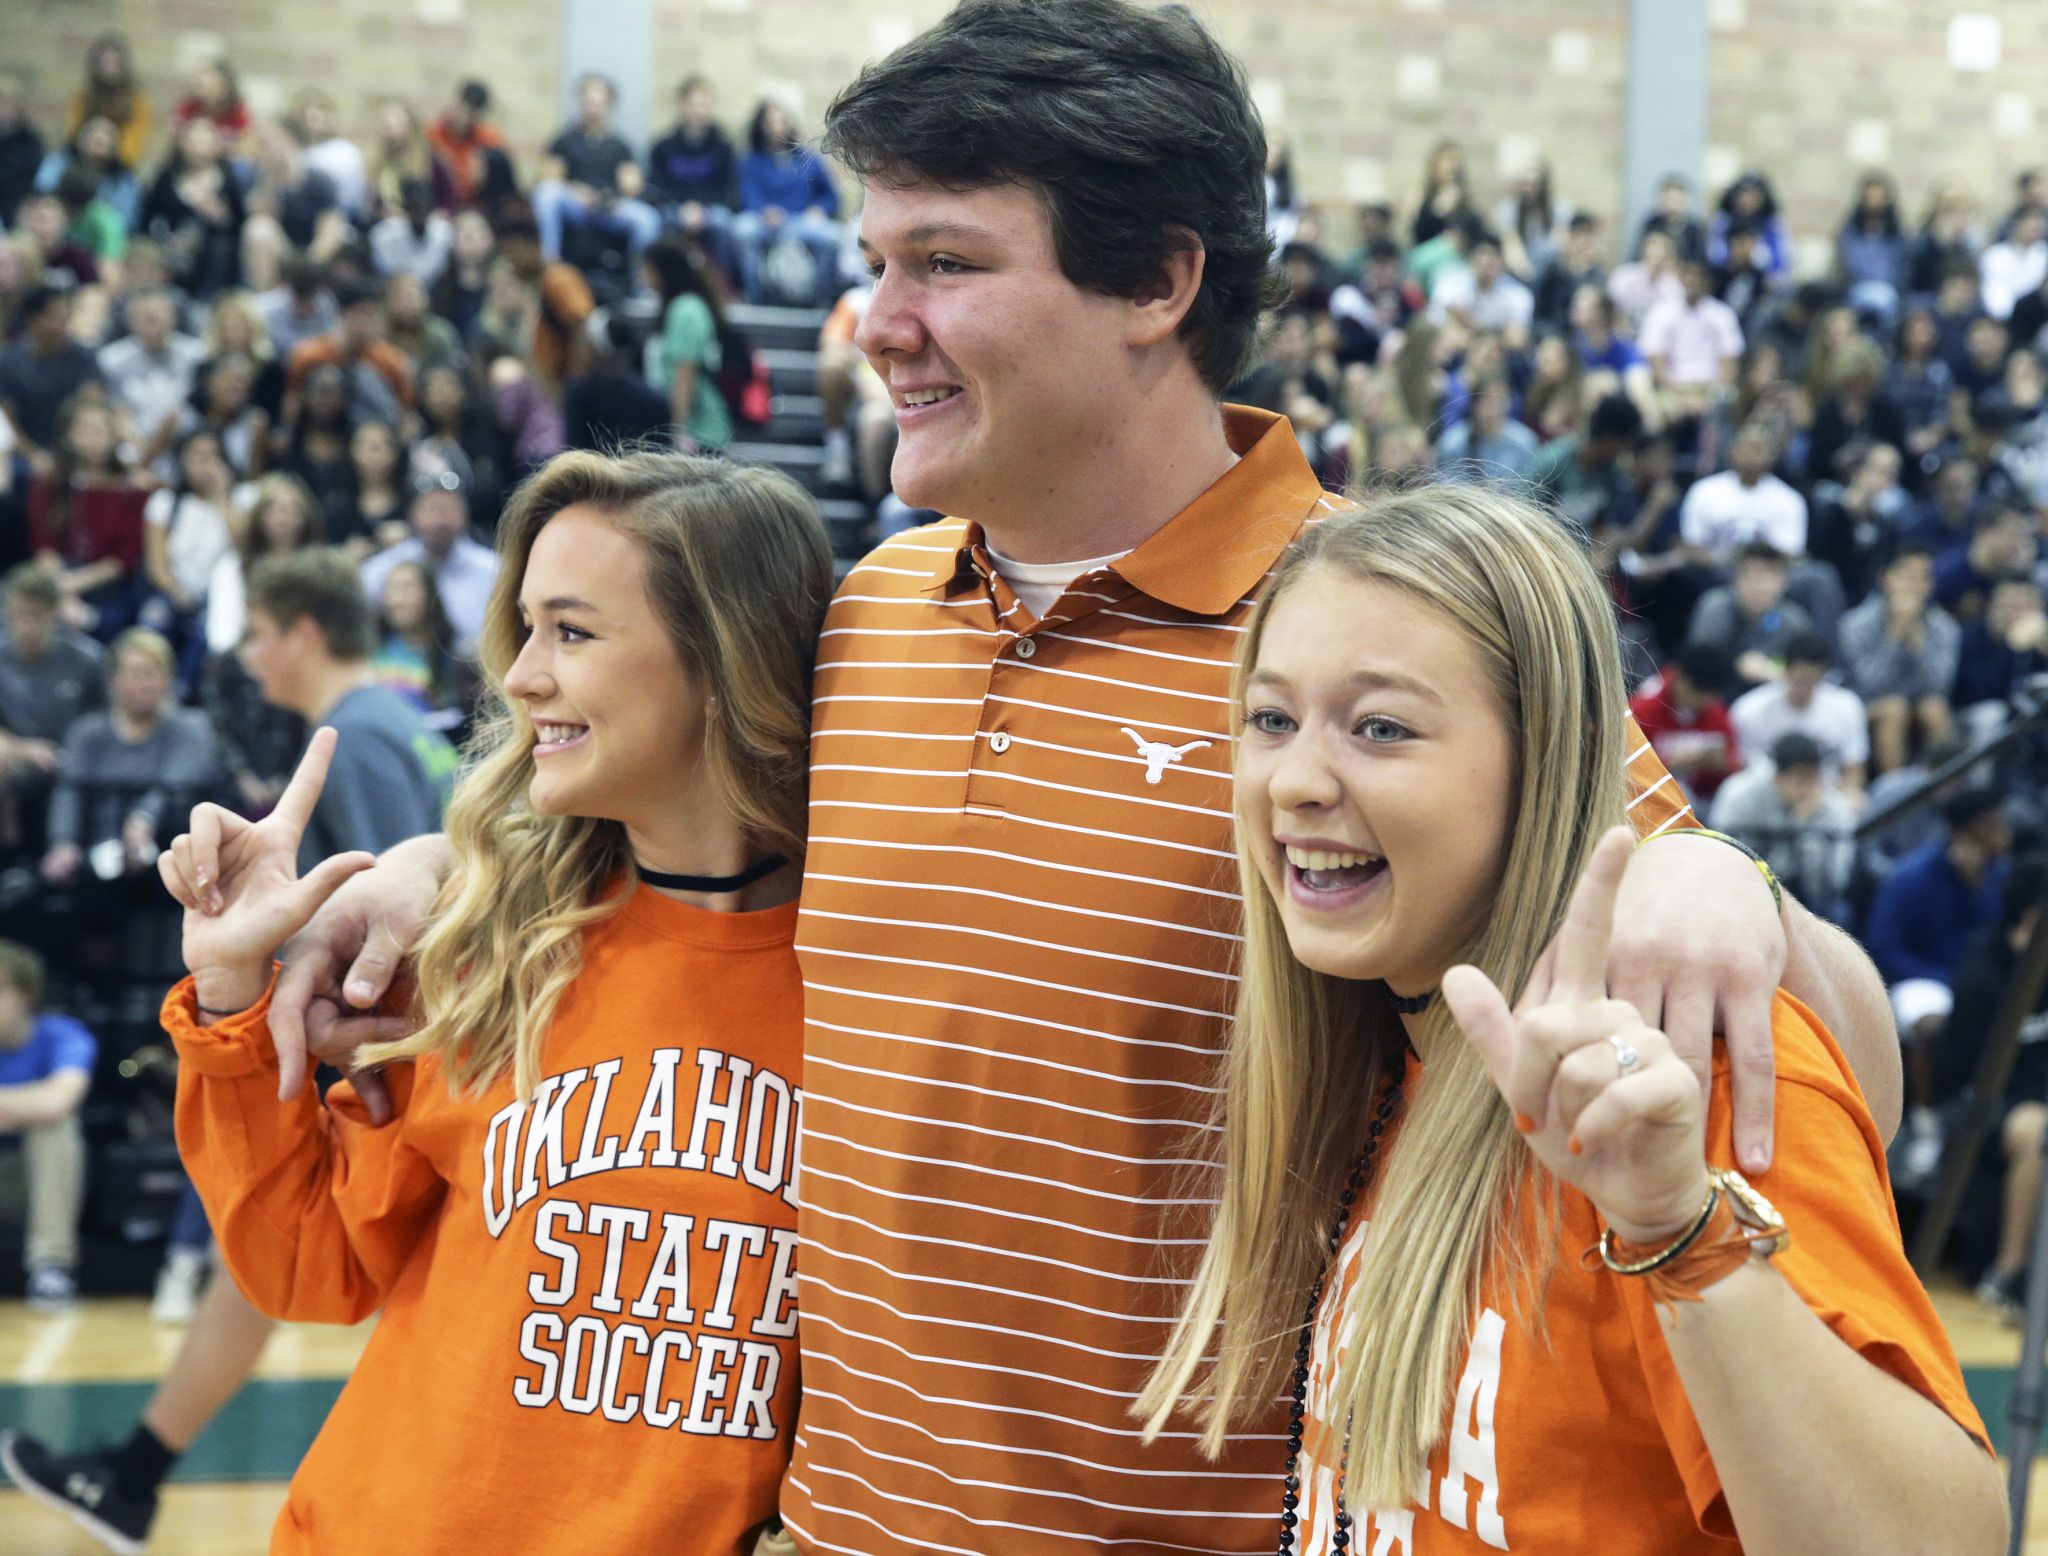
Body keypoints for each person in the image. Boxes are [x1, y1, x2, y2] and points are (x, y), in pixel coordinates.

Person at [275, 4, 1900, 1546]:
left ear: (1157, 282)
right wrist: (430, 871)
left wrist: (1721, 873)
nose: (875, 323)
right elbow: (652, 844)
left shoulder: (1380, 637)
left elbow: (1815, 1044)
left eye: (944, 264)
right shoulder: (863, 620)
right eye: (873, 263)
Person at [1138, 487, 1999, 1553]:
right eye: (1269, 718)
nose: (1296, 780)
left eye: (1379, 726)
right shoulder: (1381, 1060)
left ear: (1542, 755)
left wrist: (1678, 1228)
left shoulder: (1682, 1064)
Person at [4, 452, 831, 1556]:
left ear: (726, 658)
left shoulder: (883, 984)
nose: (523, 675)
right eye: (524, 627)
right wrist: (235, 987)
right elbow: (306, 1259)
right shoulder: (489, 943)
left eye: (571, 632)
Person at [239, 548, 457, 868]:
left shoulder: (353, 739)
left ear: (303, 635)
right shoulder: (385, 713)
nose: (249, 655)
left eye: (256, 634)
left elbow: (393, 902)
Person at [1867, 788, 2012, 1184]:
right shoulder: (1911, 876)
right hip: (1923, 978)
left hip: (1979, 979)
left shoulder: (1998, 874)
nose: (2003, 832)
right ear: (1969, 830)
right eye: (1993, 825)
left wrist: (1976, 886)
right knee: (1931, 1021)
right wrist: (1948, 980)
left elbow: (2003, 936)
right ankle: (1927, 1131)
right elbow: (1884, 946)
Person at [1949, 853, 2048, 1319]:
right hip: (1989, 1107)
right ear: (2032, 916)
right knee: (2038, 1131)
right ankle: (2009, 1271)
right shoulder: (1982, 975)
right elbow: (1964, 1074)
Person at [43, 628, 219, 888]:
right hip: (96, 853)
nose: (147, 684)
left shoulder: (192, 728)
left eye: (155, 673)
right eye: (137, 674)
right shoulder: (87, 732)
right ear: (113, 681)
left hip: (169, 851)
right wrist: (63, 842)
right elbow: (70, 791)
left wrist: (143, 818)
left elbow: (176, 787)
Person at [0, 941, 94, 1312]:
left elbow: (59, 1102)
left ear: (25, 995)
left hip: (30, 1183)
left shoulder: (63, 1035)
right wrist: (28, 1104)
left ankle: (51, 1269)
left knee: (57, 1128)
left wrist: (27, 1109)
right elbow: (45, 1099)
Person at [1710, 731, 1858, 923]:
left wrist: (1801, 827)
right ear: (1777, 777)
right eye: (1799, 779)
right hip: (1744, 890)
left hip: (1807, 898)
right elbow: (1722, 861)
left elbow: (1834, 882)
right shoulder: (1740, 796)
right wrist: (1791, 826)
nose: (1807, 789)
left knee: (1839, 913)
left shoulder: (1832, 808)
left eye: (1813, 779)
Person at [1837, 545, 1959, 775]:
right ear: (1885, 578)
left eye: (1922, 577)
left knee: (1934, 708)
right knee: (1894, 709)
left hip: (1922, 706)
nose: (1913, 586)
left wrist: (1917, 642)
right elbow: (1868, 687)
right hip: (1870, 710)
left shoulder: (1945, 626)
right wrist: (1895, 635)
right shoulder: (1855, 625)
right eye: (1906, 576)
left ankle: (1948, 790)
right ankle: (1896, 794)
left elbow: (1940, 687)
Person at [358, 468, 500, 653]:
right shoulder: (383, 568)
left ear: (464, 513)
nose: (439, 519)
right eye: (431, 508)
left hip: (473, 672)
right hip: (395, 669)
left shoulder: (492, 569)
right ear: (412, 514)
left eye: (447, 509)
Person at [531, 74, 663, 267]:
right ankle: (550, 264)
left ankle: (641, 284)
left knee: (647, 220)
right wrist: (575, 191)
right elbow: (549, 178)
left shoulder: (619, 146)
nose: (593, 109)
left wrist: (606, 198)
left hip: (608, 208)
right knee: (546, 195)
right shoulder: (565, 141)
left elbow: (632, 186)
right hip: (575, 205)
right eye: (588, 102)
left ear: (609, 106)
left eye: (598, 103)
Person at [1729, 631, 1871, 798]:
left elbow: (1854, 772)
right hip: (1768, 799)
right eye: (1798, 679)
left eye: (1811, 680)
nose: (1804, 688)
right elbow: (1744, 771)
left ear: (1823, 675)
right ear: (1785, 671)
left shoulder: (1847, 706)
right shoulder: (1749, 710)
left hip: (1827, 799)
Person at [733, 100, 841, 306]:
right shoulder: (751, 161)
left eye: (781, 121)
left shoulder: (809, 159)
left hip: (801, 221)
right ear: (761, 126)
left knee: (831, 236)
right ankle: (754, 298)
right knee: (742, 230)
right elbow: (747, 194)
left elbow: (831, 197)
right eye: (770, 122)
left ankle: (820, 300)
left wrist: (819, 210)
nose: (776, 127)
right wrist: (764, 211)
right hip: (765, 221)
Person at [1685, 541, 1815, 696]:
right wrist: (1735, 664)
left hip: (1773, 700)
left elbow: (1806, 672)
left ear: (1783, 582)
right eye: (1750, 576)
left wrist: (1773, 671)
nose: (1757, 586)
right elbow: (1696, 666)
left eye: (1767, 577)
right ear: (1735, 580)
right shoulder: (1715, 607)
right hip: (1717, 697)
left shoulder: (1795, 620)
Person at [646, 76, 742, 284]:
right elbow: (655, 187)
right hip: (674, 208)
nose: (699, 110)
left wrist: (701, 208)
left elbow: (729, 190)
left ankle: (723, 286)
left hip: (711, 209)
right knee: (661, 221)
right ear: (683, 106)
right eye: (694, 105)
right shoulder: (664, 146)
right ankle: (663, 283)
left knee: (722, 223)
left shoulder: (723, 147)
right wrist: (683, 208)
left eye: (704, 105)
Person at [371, 558, 476, 738]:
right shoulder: (373, 649)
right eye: (390, 589)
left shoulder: (455, 653)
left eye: (406, 588)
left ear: (429, 593)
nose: (396, 600)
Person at [1678, 420, 1808, 563]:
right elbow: (1691, 545)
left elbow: (1792, 553)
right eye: (1748, 448)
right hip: (1714, 570)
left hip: (1769, 575)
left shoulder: (1788, 499)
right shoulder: (1703, 491)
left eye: (1760, 449)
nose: (1753, 455)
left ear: (1773, 456)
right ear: (1733, 451)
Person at [1628, 643, 1741, 805]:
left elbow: (1733, 766)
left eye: (1710, 696)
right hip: (1646, 799)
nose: (1703, 701)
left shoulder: (1716, 713)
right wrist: (1670, 764)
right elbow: (1627, 768)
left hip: (1701, 803)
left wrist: (1722, 765)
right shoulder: (1643, 709)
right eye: (1698, 692)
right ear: (1679, 677)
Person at [0, 287, 103, 466]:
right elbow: (7, 420)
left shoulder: (84, 357)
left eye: (66, 314)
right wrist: (34, 456)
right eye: (54, 316)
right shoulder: (9, 361)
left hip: (77, 450)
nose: (63, 322)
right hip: (23, 452)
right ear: (33, 319)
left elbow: (92, 405)